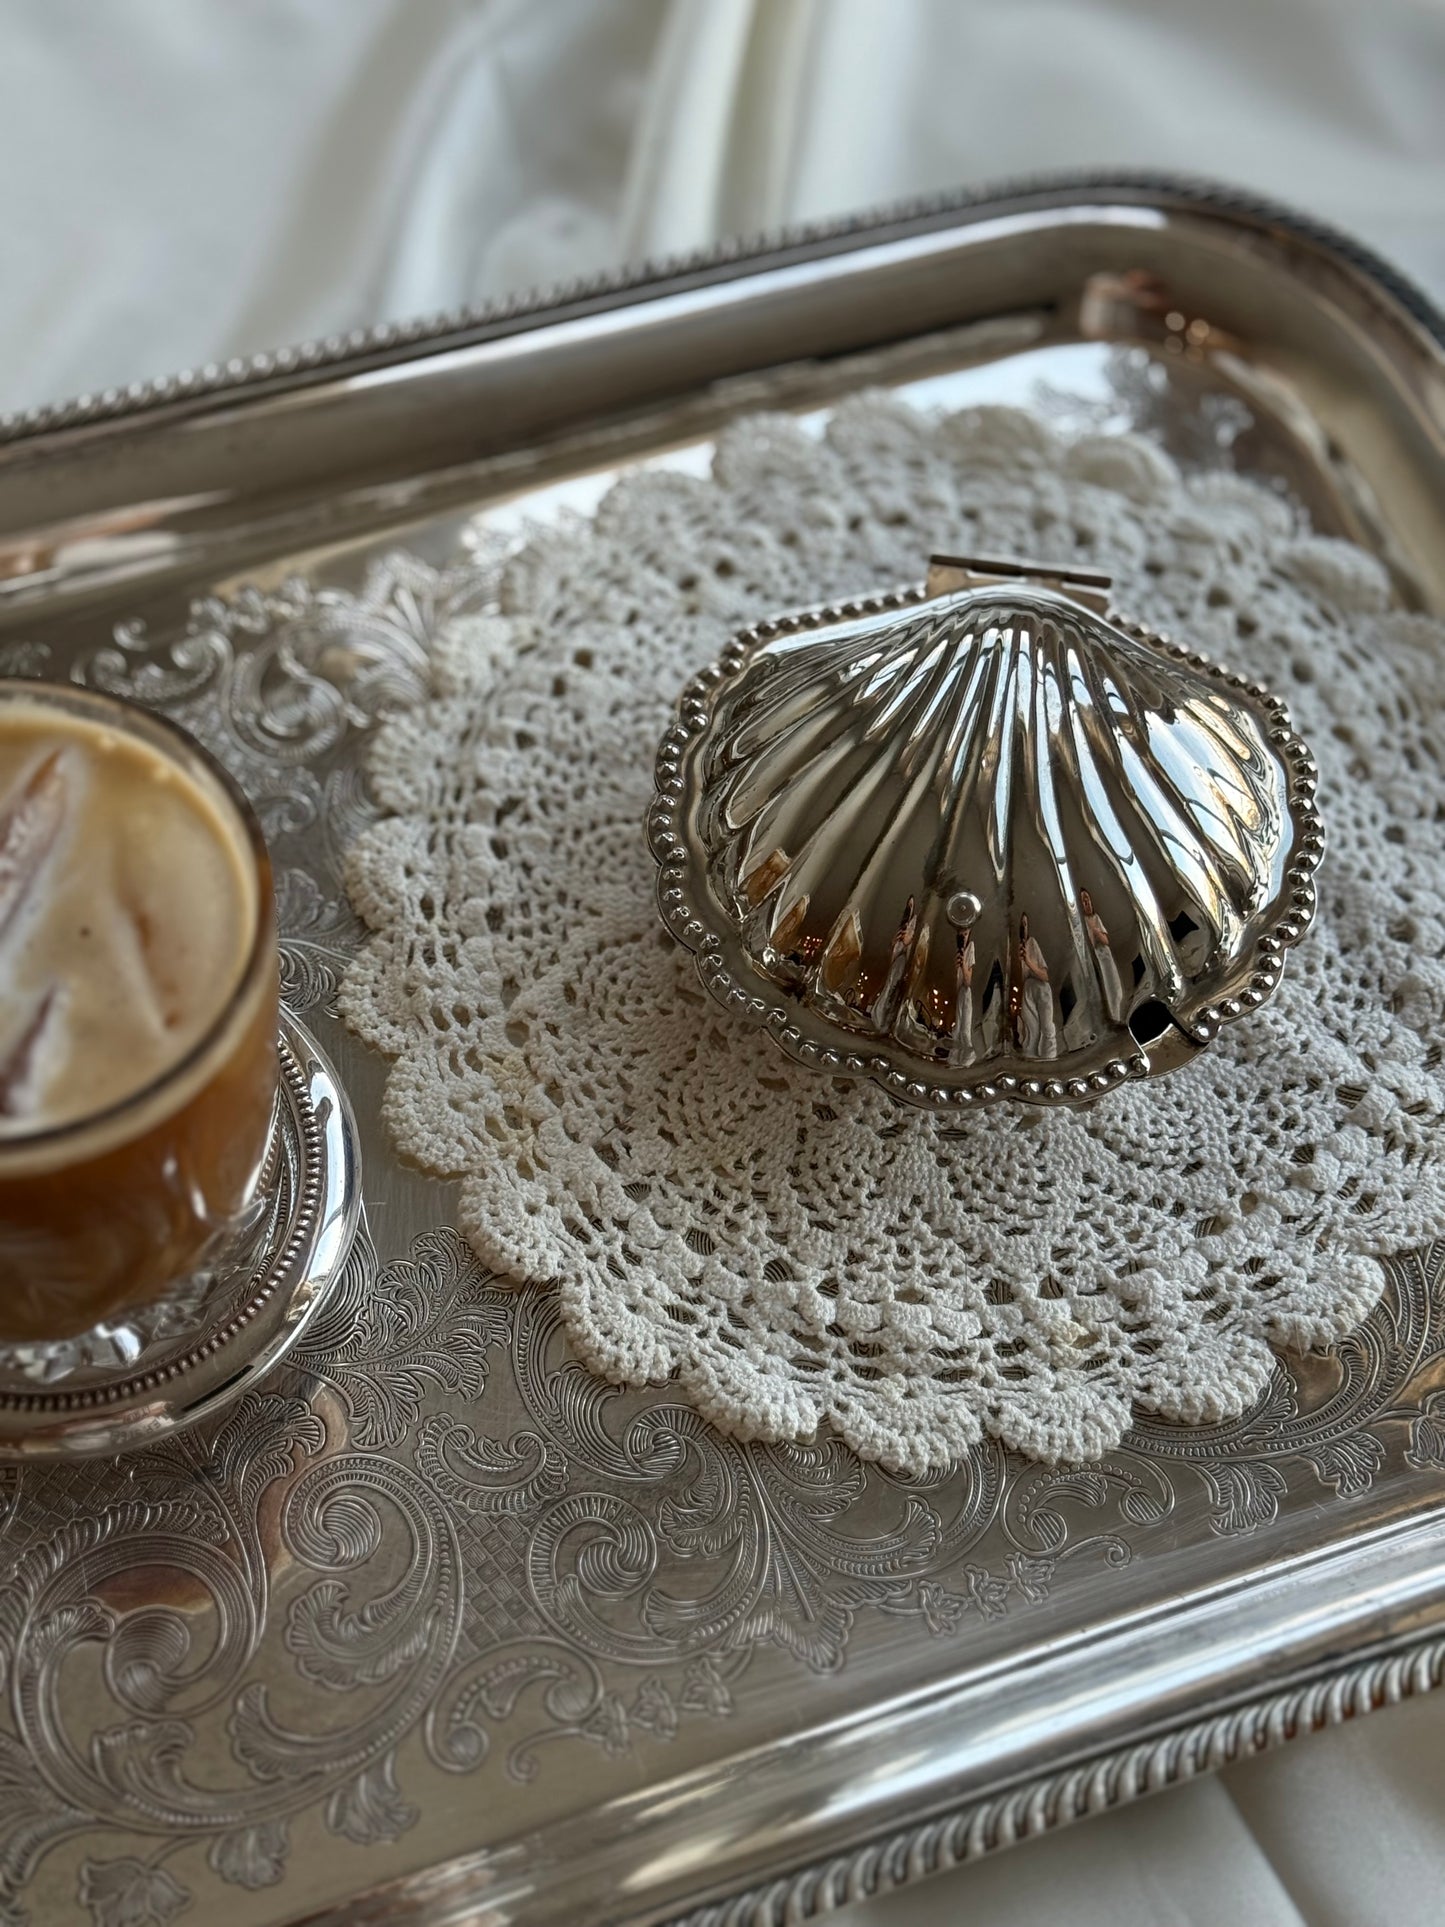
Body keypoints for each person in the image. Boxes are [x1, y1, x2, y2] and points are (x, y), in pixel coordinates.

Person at [1080, 887, 1126, 1025]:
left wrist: (1095, 930)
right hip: (1092, 961)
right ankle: (1108, 1019)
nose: (1086, 902)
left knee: (1113, 985)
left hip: (1105, 958)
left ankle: (1118, 1015)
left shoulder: (1095, 918)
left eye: (1087, 898)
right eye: (1083, 900)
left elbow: (1106, 941)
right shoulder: (1081, 923)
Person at [1014, 912, 1057, 1058]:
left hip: (1040, 988)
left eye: (1025, 924)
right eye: (1021, 924)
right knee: (1030, 1027)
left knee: (1046, 1026)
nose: (1023, 928)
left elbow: (1045, 976)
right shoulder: (1016, 948)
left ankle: (1049, 1057)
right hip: (1027, 989)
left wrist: (1027, 961)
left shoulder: (1032, 943)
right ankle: (1032, 1057)